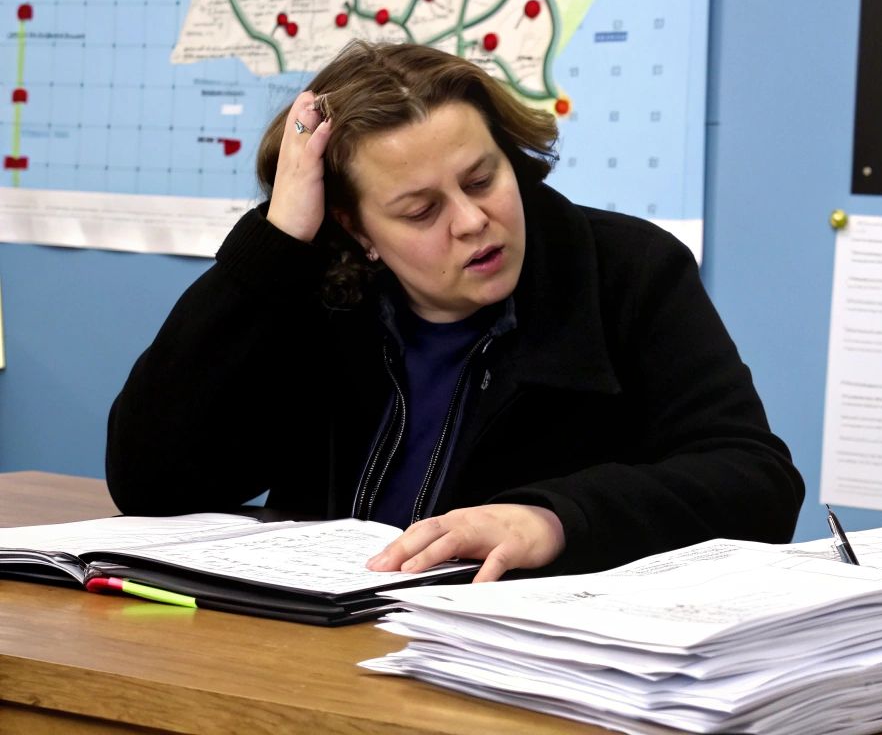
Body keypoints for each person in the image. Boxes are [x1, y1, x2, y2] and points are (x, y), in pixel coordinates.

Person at [107, 41, 804, 581]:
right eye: (421, 210)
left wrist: (555, 520)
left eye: (482, 179)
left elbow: (755, 483)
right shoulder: (314, 292)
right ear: (355, 229)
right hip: (313, 651)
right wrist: (273, 247)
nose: (473, 221)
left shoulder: (625, 272)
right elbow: (152, 479)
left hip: (517, 664)